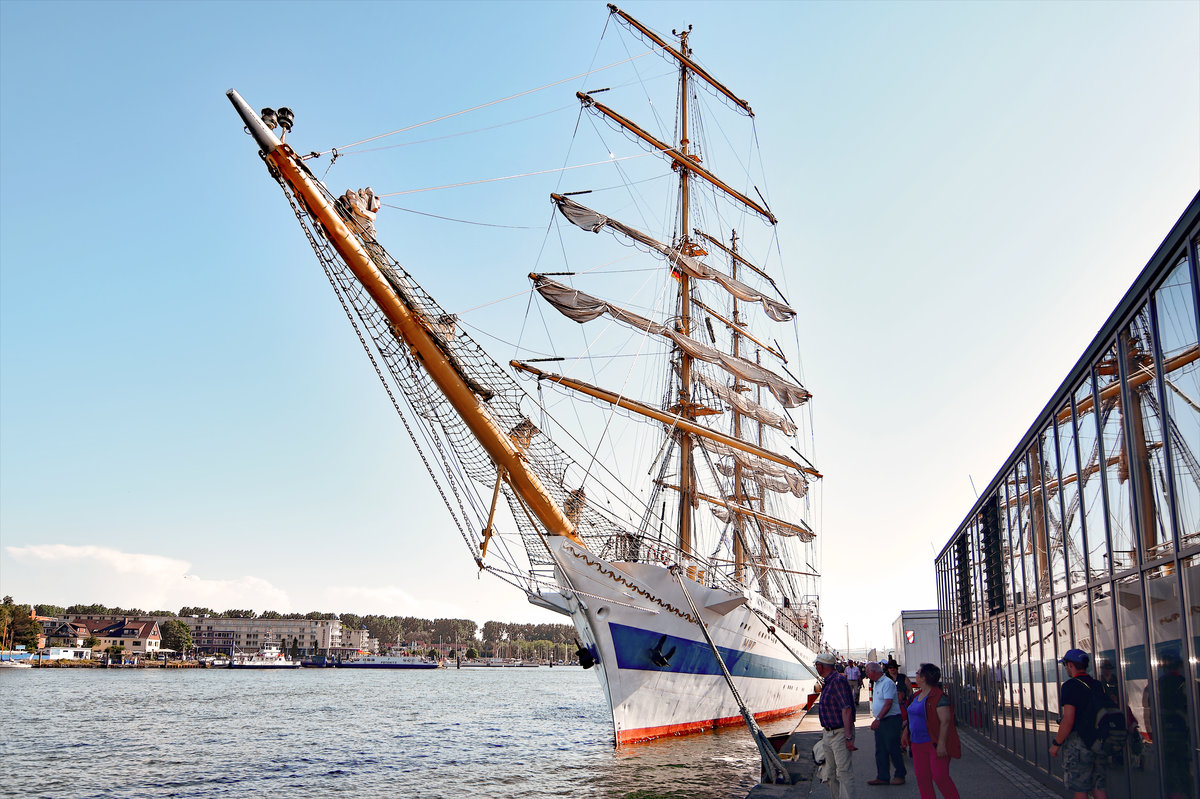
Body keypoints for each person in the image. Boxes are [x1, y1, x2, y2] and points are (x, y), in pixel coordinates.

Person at [1050, 648, 1109, 799]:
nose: (1065, 668)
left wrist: (1057, 743)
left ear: (1070, 665)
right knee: (1098, 787)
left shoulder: (1070, 686)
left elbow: (1069, 720)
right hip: (1098, 740)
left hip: (1080, 743)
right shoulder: (1097, 685)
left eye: (1065, 665)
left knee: (1081, 789)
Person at [900, 663, 960, 799]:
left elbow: (945, 721)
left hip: (933, 743)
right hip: (917, 744)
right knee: (923, 779)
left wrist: (942, 744)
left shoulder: (939, 697)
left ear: (923, 677)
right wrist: (906, 732)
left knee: (940, 777)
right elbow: (912, 717)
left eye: (917, 673)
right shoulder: (916, 696)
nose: (915, 675)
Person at [815, 652, 857, 799]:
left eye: (816, 665)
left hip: (839, 733)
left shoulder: (837, 681)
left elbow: (846, 709)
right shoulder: (828, 681)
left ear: (820, 667)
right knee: (830, 773)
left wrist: (848, 737)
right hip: (828, 733)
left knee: (844, 772)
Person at [865, 661, 906, 786]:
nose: (866, 674)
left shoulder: (887, 683)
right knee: (881, 749)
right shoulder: (877, 683)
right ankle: (882, 776)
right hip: (883, 720)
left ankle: (900, 774)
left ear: (873, 672)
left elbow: (888, 703)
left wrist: (878, 719)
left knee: (893, 748)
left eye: (867, 672)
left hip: (891, 720)